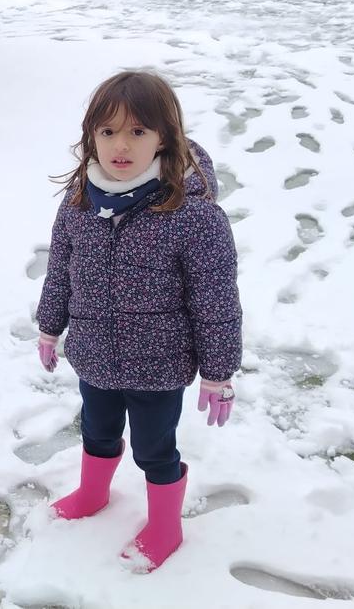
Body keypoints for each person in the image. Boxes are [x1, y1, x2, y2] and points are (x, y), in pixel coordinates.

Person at [36, 70, 242, 572]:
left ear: (164, 138)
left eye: (137, 131)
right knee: (96, 430)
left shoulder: (193, 216)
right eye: (107, 132)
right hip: (94, 355)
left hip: (158, 365)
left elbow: (216, 299)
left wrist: (218, 371)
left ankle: (166, 526)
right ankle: (92, 492)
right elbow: (61, 268)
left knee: (154, 450)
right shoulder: (81, 199)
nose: (120, 145)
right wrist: (49, 325)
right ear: (91, 138)